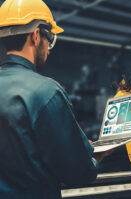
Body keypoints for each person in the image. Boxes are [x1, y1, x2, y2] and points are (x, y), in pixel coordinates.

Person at [0, 0, 112, 198]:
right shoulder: (46, 92)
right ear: (35, 36)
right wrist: (96, 156)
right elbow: (78, 173)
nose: (49, 49)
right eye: (49, 38)